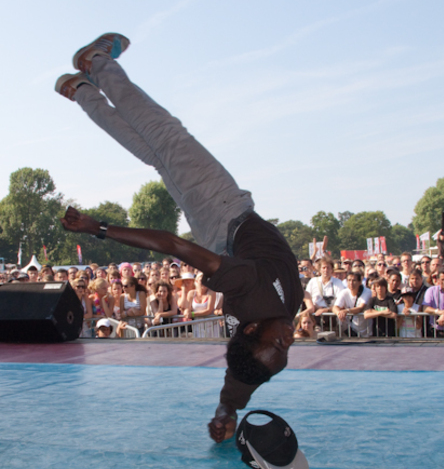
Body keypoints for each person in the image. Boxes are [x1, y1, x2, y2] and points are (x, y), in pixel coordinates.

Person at [57, 32, 302, 443]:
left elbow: (171, 244)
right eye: (285, 350)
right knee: (155, 152)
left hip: (223, 209)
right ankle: (79, 91)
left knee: (166, 134)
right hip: (218, 229)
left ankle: (96, 62)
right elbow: (241, 379)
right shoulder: (255, 342)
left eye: (276, 342)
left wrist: (98, 228)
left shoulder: (254, 293)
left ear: (250, 329)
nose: (288, 338)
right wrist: (225, 411)